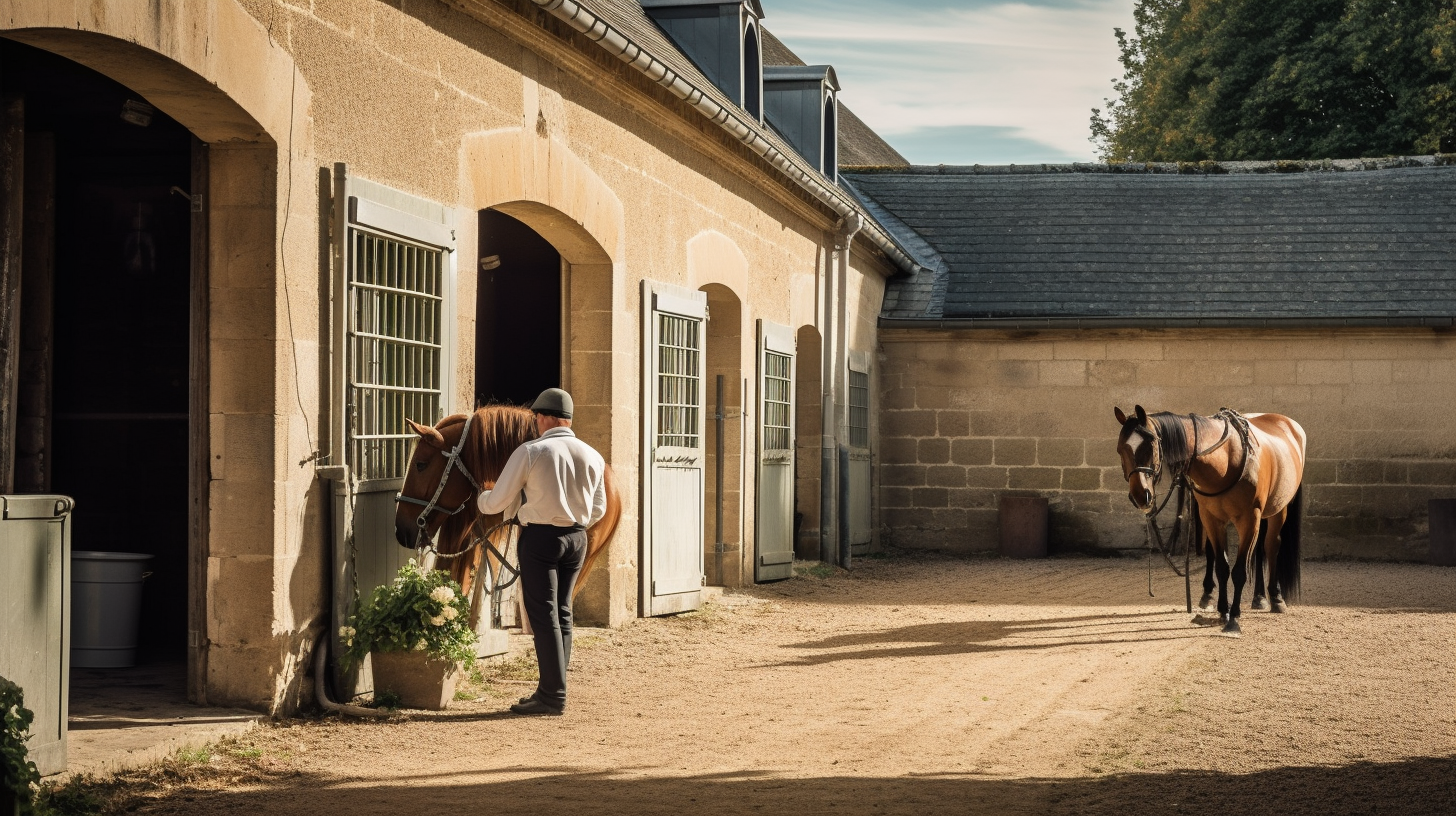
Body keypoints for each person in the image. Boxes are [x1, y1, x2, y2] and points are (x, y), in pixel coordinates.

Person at [477, 387, 606, 716]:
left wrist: (480, 498)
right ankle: (554, 689)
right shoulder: (592, 455)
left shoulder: (531, 451)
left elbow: (498, 501)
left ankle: (551, 696)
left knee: (543, 614)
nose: (535, 423)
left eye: (536, 417)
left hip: (541, 540)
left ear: (546, 417)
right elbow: (599, 509)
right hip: (577, 538)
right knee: (562, 611)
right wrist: (574, 521)